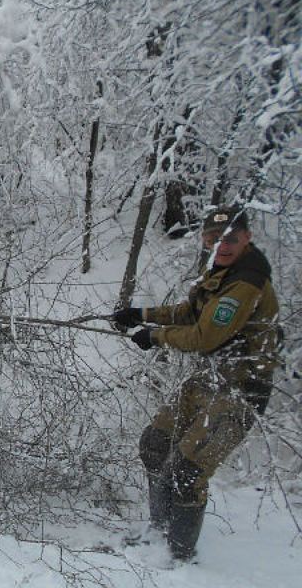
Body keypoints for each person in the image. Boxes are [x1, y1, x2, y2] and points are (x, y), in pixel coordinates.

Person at [113, 206, 281, 561]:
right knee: (155, 444)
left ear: (247, 238)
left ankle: (179, 555)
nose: (221, 245)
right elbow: (192, 312)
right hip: (210, 379)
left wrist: (156, 336)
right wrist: (141, 314)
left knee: (188, 469)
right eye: (213, 238)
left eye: (231, 238)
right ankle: (158, 533)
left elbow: (205, 336)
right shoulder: (222, 272)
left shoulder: (246, 282)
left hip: (241, 390)